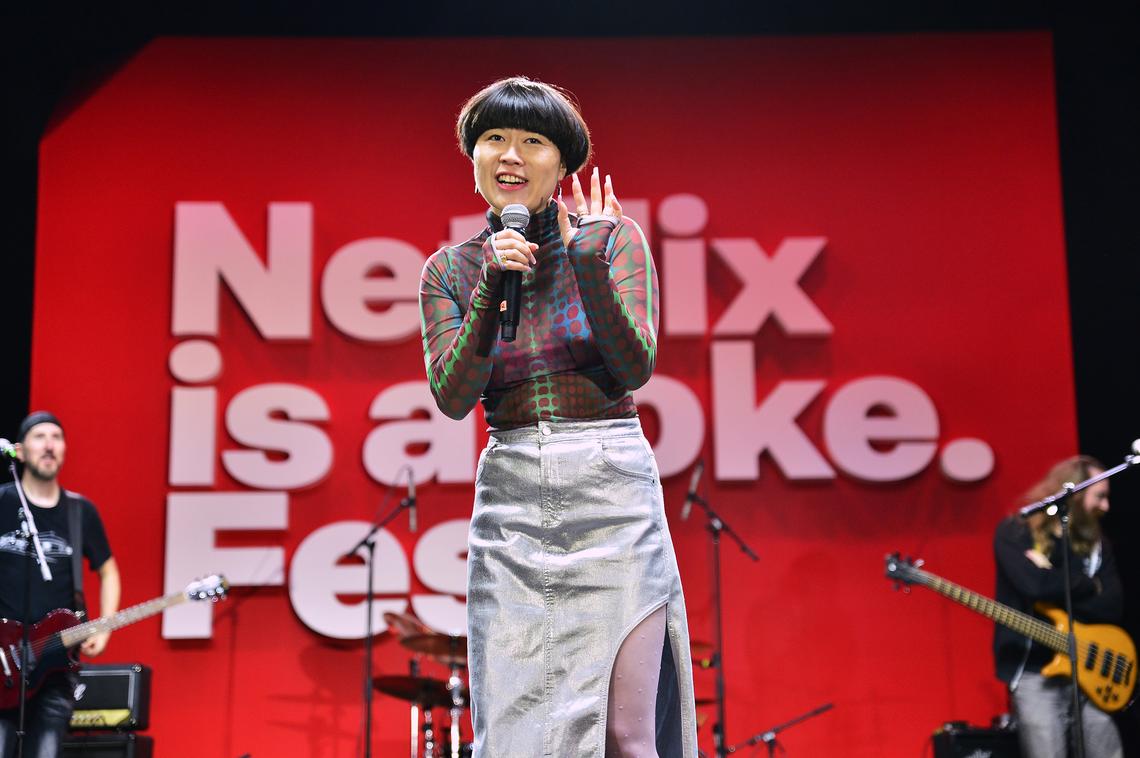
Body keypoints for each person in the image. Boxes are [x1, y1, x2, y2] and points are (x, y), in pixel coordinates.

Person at [418, 77, 697, 757]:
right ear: (473, 156)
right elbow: (455, 397)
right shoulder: (450, 271)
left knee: (626, 736)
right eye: (494, 139)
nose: (510, 155)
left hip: (611, 490)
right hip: (511, 496)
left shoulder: (610, 240)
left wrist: (585, 265)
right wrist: (490, 285)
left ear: (563, 163)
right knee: (514, 736)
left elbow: (634, 369)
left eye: (532, 141)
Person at [0, 411, 121, 758]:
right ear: (20, 451)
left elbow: (108, 571)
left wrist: (106, 624)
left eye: (57, 437)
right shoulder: (2, 502)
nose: (49, 445)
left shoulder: (79, 511)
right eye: (40, 437)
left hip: (55, 663)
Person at [993, 455, 1124, 758]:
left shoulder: (1096, 545)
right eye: (1100, 496)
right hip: (1035, 673)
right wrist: (1090, 585)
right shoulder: (1015, 533)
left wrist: (1052, 576)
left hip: (1091, 669)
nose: (1106, 507)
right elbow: (1034, 588)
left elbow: (1113, 605)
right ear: (1075, 493)